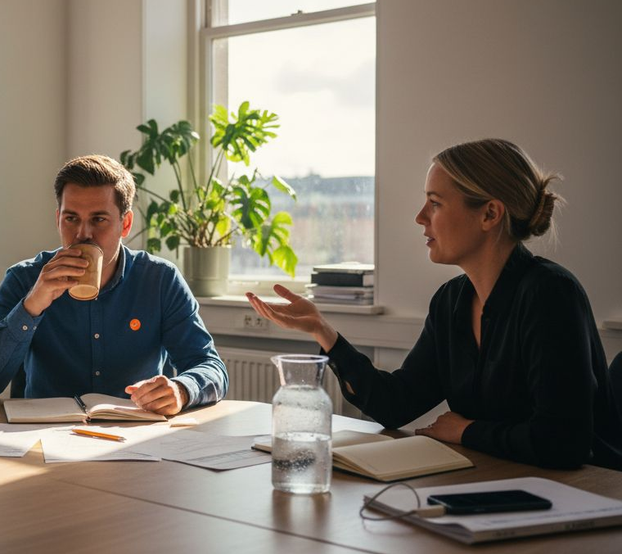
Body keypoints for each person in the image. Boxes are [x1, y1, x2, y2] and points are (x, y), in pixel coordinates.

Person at [247, 138, 621, 469]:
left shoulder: (551, 294)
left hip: (583, 494)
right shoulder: (451, 301)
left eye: (435, 204)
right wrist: (322, 330)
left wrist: (468, 431)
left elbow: (563, 443)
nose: (420, 217)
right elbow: (396, 405)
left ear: (490, 214)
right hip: (494, 481)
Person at [0, 155, 228, 414]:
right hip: (42, 435)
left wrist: (182, 389)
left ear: (125, 224)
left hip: (133, 436)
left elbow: (210, 366)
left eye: (98, 219)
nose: (83, 234)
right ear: (58, 219)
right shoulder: (25, 278)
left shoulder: (159, 280)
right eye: (71, 218)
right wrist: (31, 306)